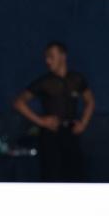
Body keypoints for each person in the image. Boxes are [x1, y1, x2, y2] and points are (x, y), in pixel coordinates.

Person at [13, 41, 94, 182]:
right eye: (46, 57)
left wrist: (84, 123)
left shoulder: (76, 79)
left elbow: (90, 101)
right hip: (51, 133)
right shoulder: (45, 82)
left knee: (75, 175)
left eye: (51, 56)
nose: (48, 61)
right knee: (51, 174)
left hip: (71, 131)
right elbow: (19, 102)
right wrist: (41, 121)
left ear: (63, 56)